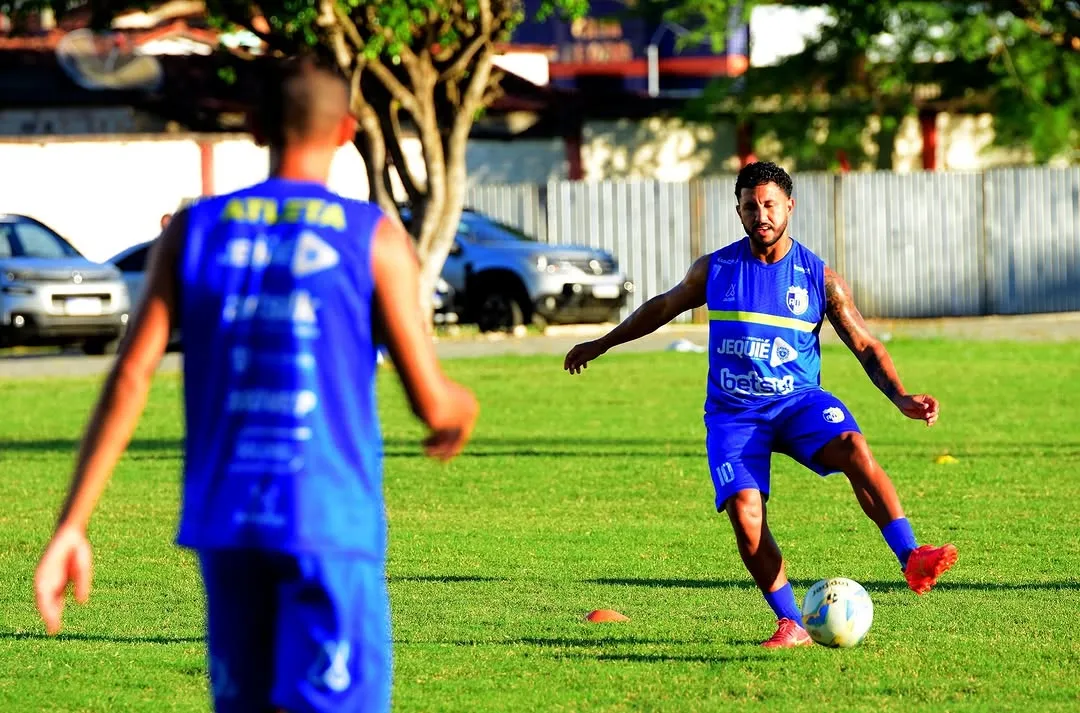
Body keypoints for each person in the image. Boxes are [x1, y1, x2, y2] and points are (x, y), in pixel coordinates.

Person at [33, 55, 479, 711]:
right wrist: (461, 411)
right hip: (327, 523)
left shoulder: (193, 231)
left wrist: (73, 523)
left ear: (255, 126)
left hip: (228, 526)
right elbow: (432, 402)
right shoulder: (373, 239)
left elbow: (131, 375)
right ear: (347, 132)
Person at [563, 161, 957, 649]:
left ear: (789, 206)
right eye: (751, 206)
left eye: (770, 204)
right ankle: (792, 622)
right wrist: (602, 342)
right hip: (734, 416)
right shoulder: (716, 269)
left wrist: (900, 395)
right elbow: (661, 308)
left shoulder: (819, 277)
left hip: (797, 404)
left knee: (854, 445)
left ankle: (912, 555)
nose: (761, 214)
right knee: (747, 516)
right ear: (739, 212)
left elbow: (864, 344)